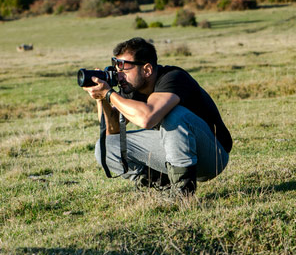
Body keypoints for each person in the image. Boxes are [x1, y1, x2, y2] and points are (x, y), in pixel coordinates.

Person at [82, 37, 232, 196]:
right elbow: (113, 129)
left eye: (124, 69)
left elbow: (147, 118)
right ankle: (166, 186)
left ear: (147, 70)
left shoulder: (173, 77)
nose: (119, 76)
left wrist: (109, 93)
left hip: (212, 156)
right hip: (174, 152)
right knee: (107, 146)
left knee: (174, 114)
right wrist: (102, 98)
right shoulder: (132, 88)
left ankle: (184, 194)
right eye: (117, 69)